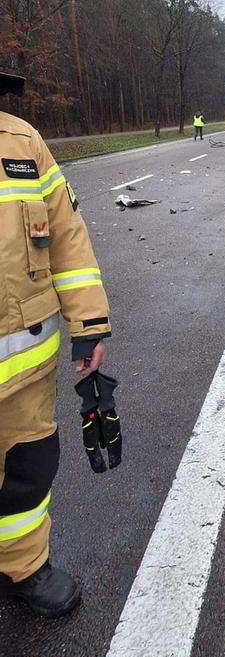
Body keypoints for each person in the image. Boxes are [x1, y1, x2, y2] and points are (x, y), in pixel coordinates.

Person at [0, 70, 112, 617]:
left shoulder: (23, 143)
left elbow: (68, 240)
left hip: (24, 377)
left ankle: (24, 568)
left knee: (28, 470)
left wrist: (89, 325)